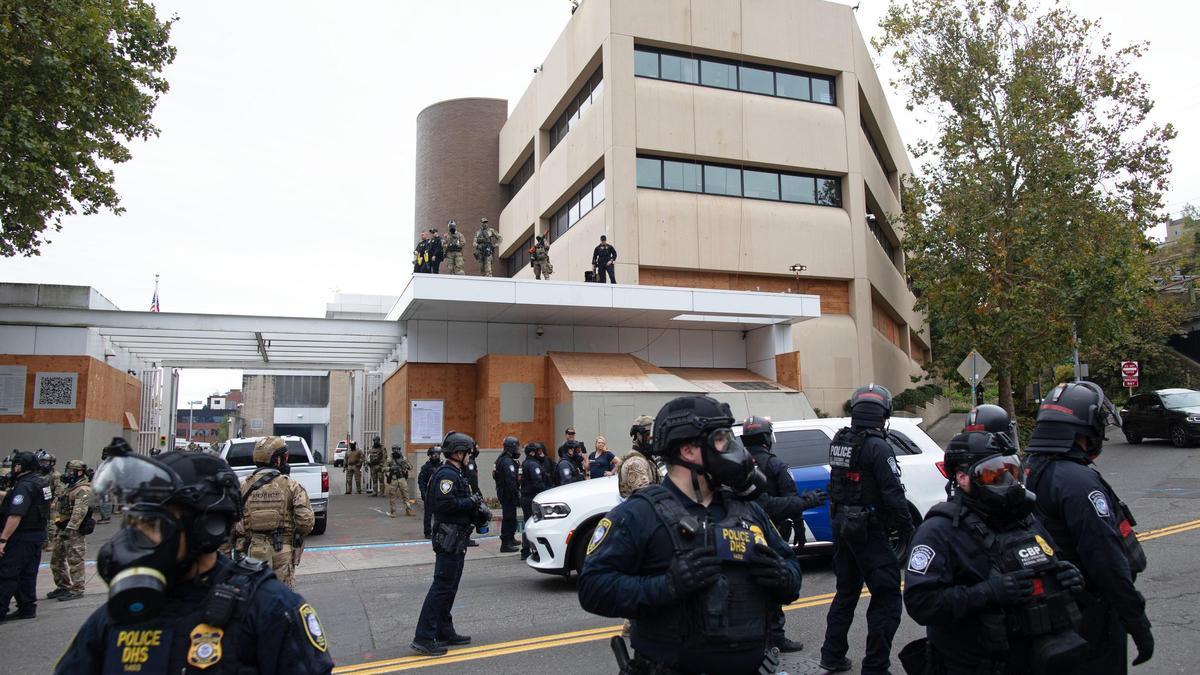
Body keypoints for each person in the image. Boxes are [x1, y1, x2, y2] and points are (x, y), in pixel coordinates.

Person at [56, 448, 334, 674]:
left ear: (206, 526)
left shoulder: (270, 610)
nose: (137, 536)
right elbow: (305, 520)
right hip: (277, 548)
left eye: (153, 523)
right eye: (134, 521)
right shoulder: (118, 615)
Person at [578, 395, 802, 674]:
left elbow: (792, 571)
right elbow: (592, 588)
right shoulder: (640, 514)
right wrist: (667, 585)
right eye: (721, 439)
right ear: (688, 450)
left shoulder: (748, 510)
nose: (732, 449)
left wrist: (782, 576)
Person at [901, 426, 1089, 675]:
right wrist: (986, 592)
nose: (1008, 482)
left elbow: (1053, 559)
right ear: (963, 478)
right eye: (993, 475)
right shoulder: (938, 531)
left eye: (1011, 471)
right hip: (977, 665)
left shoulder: (1025, 518)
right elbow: (921, 604)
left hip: (1039, 657)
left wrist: (1069, 576)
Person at [1022, 382, 1153, 673]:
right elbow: (1106, 560)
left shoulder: (1033, 467)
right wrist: (1136, 620)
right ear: (1086, 426)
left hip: (1058, 611)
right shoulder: (1077, 482)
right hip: (1090, 612)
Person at [819, 384, 913, 675]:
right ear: (884, 413)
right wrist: (907, 528)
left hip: (842, 526)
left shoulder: (840, 440)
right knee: (887, 598)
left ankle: (832, 654)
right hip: (868, 530)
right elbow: (893, 492)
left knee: (846, 591)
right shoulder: (878, 446)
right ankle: (875, 667)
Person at [740, 415, 829, 653]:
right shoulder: (774, 464)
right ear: (767, 438)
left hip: (739, 535)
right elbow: (786, 499)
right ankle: (776, 636)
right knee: (775, 581)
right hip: (770, 533)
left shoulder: (734, 464)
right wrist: (800, 521)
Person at [412, 431, 488, 656]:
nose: (469, 457)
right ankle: (424, 637)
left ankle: (444, 630)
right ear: (458, 452)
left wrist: (476, 508)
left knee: (449, 587)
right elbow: (444, 505)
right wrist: (470, 502)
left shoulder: (457, 473)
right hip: (449, 538)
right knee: (441, 586)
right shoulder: (447, 475)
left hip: (458, 538)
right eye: (467, 453)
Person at [231, 436, 315, 589]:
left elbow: (231, 523)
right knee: (281, 600)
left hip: (249, 552)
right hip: (281, 552)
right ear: (277, 460)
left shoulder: (242, 486)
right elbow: (306, 522)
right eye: (285, 458)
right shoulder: (292, 486)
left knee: (251, 599)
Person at [0, 451, 50, 622]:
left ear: (21, 466)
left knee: (8, 573)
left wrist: (3, 539)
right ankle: (27, 608)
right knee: (28, 573)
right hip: (37, 535)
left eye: (16, 464)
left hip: (21, 536)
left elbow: (16, 515)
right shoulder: (41, 483)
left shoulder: (24, 485)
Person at [47, 459, 94, 602]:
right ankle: (63, 586)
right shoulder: (70, 487)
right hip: (63, 528)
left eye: (71, 471)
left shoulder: (83, 490)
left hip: (74, 531)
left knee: (75, 560)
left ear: (79, 472)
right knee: (57, 559)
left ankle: (77, 589)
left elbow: (79, 512)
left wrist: (70, 529)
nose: (68, 473)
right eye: (67, 470)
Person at [617, 415, 659, 500]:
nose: (651, 439)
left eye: (654, 435)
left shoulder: (646, 459)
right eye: (647, 435)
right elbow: (645, 501)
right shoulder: (636, 463)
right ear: (637, 436)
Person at [520, 442, 549, 560]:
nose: (540, 454)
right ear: (532, 453)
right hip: (532, 497)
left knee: (528, 523)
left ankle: (526, 550)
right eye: (538, 452)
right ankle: (530, 550)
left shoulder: (525, 463)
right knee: (534, 524)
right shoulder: (533, 465)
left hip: (525, 497)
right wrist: (548, 491)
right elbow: (538, 483)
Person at [494, 436, 522, 553]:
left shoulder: (505, 459)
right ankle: (505, 544)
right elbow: (510, 479)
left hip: (507, 493)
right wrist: (516, 493)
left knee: (512, 517)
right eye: (516, 447)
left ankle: (511, 538)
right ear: (511, 448)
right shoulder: (506, 461)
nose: (518, 450)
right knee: (509, 518)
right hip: (508, 494)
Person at [418, 447, 442, 539]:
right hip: (430, 494)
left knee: (440, 514)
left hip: (440, 494)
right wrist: (423, 493)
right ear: (430, 455)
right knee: (428, 515)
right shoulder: (426, 467)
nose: (436, 455)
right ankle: (428, 532)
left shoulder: (442, 466)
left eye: (438, 454)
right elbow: (421, 481)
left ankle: (439, 531)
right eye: (434, 454)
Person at [386, 445, 414, 517]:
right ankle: (393, 512)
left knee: (406, 495)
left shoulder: (403, 458)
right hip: (394, 479)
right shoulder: (389, 459)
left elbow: (410, 467)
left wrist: (405, 464)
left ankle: (408, 511)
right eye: (394, 449)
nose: (396, 451)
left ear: (399, 449)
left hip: (402, 479)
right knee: (392, 496)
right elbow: (383, 468)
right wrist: (391, 468)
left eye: (397, 449)